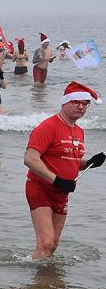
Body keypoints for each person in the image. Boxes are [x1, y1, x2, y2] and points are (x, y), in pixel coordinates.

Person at [24, 82, 106, 259]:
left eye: (85, 104)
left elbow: (69, 161)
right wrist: (56, 180)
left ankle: (45, 276)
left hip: (62, 193)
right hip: (41, 189)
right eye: (76, 102)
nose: (81, 107)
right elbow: (30, 159)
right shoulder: (48, 126)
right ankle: (34, 275)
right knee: (46, 243)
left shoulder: (79, 131)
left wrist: (90, 162)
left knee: (53, 245)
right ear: (64, 102)